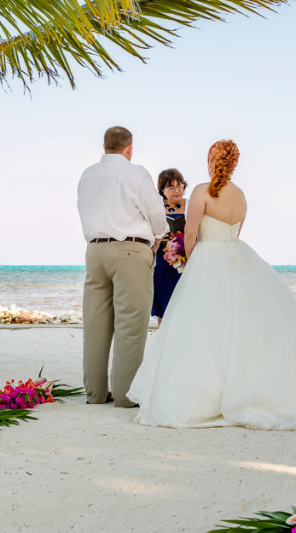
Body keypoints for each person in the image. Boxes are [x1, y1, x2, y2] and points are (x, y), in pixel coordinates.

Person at [128, 140, 296, 429]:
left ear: (211, 161)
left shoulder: (201, 191)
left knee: (204, 326)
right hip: (237, 258)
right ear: (234, 164)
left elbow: (190, 234)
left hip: (207, 260)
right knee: (240, 327)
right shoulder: (241, 196)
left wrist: (188, 262)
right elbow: (236, 232)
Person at [77, 126, 168, 407]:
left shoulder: (87, 175)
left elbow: (82, 208)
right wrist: (157, 238)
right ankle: (125, 395)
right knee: (130, 324)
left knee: (95, 324)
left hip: (95, 251)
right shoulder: (136, 173)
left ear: (105, 146)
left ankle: (94, 393)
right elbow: (157, 216)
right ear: (129, 149)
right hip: (130, 250)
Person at [152, 168, 188, 325]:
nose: (177, 190)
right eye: (171, 187)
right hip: (162, 264)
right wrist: (158, 238)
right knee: (164, 310)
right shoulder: (156, 208)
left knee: (184, 307)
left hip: (186, 263)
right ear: (162, 190)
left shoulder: (191, 206)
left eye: (180, 186)